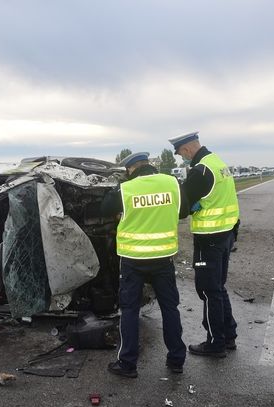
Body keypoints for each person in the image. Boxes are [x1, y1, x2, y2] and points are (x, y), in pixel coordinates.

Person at [104, 152, 187, 378]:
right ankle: (177, 359)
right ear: (149, 165)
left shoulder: (127, 188)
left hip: (133, 260)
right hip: (163, 258)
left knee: (129, 310)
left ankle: (128, 364)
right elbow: (184, 210)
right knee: (170, 308)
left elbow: (103, 209)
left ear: (131, 169)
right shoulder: (172, 183)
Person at [168, 131, 239, 358]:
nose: (181, 158)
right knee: (218, 287)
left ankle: (215, 343)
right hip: (226, 233)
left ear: (187, 148)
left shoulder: (200, 171)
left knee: (208, 291)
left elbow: (183, 208)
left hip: (209, 237)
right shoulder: (217, 162)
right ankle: (228, 335)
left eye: (180, 154)